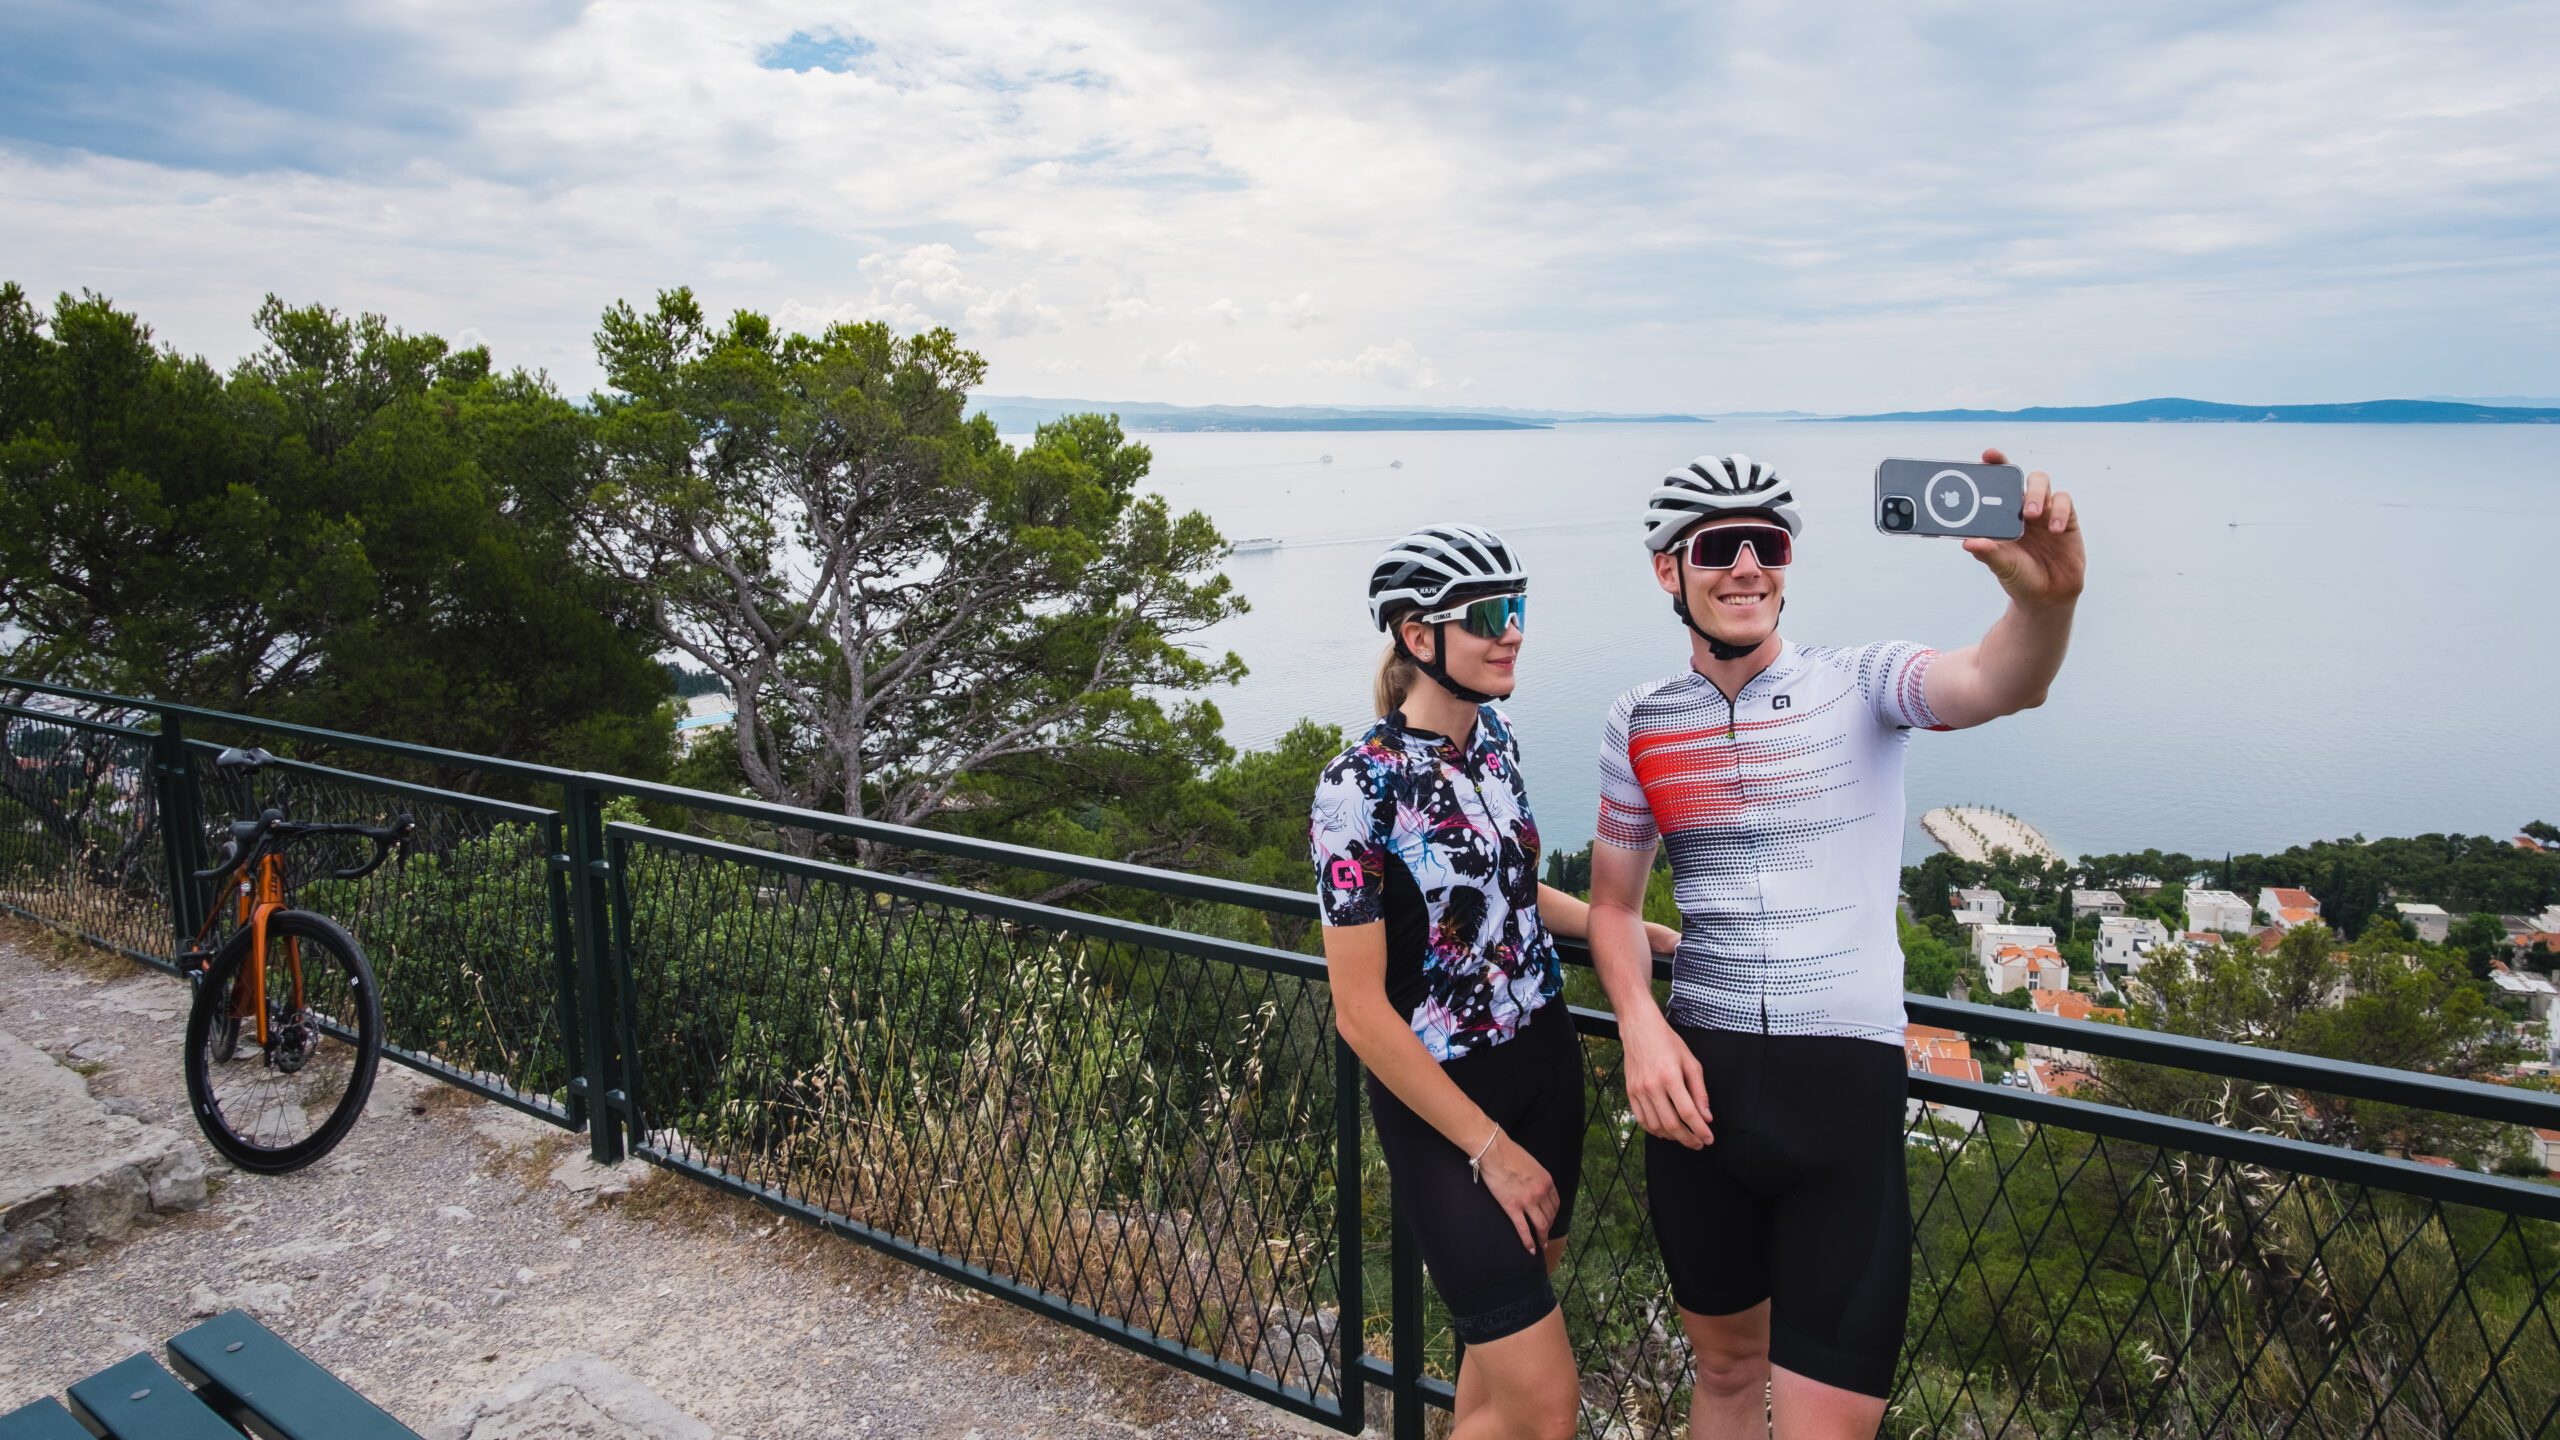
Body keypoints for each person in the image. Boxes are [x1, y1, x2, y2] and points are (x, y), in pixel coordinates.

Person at [1584, 451, 2083, 1438]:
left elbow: (1999, 680)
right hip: (1696, 1094)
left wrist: (2048, 603)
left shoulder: (1860, 683)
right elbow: (1611, 907)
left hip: (1842, 1103)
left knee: (1830, 1425)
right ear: (1667, 569)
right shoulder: (1639, 722)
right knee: (1723, 1375)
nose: (1746, 566)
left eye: (1767, 544)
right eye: (1717, 547)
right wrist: (1638, 1024)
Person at [1312, 522, 1678, 1440]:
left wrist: (1630, 930)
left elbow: (1510, 888)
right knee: (1546, 1410)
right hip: (1445, 1106)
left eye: (1515, 608)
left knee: (1500, 1387)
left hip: (1544, 1067)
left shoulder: (1495, 739)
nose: (1512, 631)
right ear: (1417, 635)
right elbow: (1358, 1013)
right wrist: (1490, 1150)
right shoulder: (1357, 788)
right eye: (1486, 616)